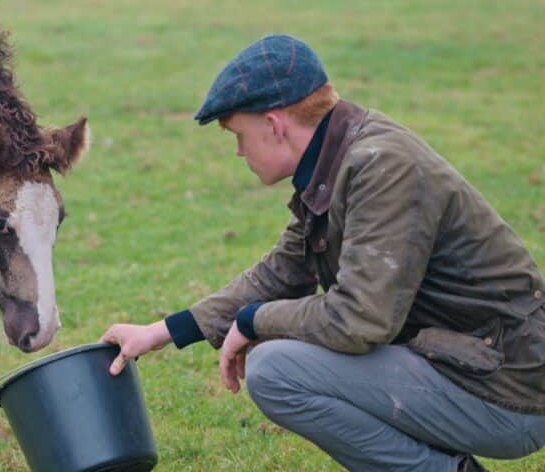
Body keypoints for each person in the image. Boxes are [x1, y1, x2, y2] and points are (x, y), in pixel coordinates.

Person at [99, 35, 545, 472]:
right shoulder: (343, 157)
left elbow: (359, 320)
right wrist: (160, 332)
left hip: (509, 389)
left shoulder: (380, 166)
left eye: (239, 135)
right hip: (466, 361)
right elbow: (282, 271)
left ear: (274, 125)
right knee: (278, 358)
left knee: (276, 369)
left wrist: (256, 320)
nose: (238, 151)